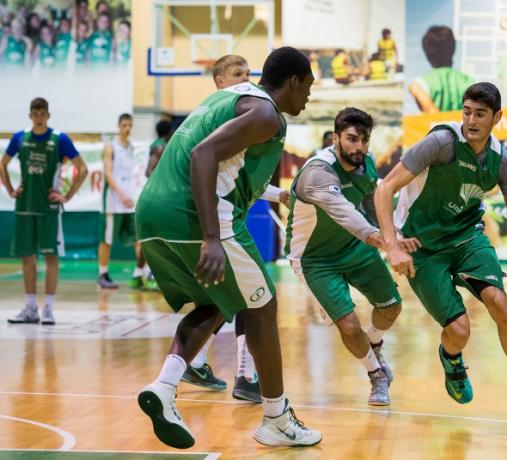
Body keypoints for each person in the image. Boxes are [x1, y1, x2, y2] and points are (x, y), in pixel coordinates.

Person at [135, 46, 321, 449]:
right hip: (194, 213)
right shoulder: (265, 113)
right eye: (307, 86)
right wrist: (212, 238)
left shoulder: (225, 97)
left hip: (152, 212)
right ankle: (276, 417)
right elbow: (204, 154)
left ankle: (165, 387)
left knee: (218, 299)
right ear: (292, 82)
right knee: (263, 304)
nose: (308, 96)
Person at [374, 82, 507, 437]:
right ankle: (451, 358)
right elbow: (384, 188)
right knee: (459, 331)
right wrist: (393, 245)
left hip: (466, 238)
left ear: (497, 118)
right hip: (423, 246)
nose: (472, 120)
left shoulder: (502, 161)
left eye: (480, 114)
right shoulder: (442, 143)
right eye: (467, 111)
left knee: (501, 305)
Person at [286, 107, 419, 405]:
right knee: (348, 325)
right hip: (315, 260)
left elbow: (370, 203)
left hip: (354, 248)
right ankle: (377, 375)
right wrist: (386, 243)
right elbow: (347, 214)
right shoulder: (317, 173)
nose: (359, 147)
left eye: (364, 140)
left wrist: (392, 234)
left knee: (391, 307)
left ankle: (373, 345)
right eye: (351, 139)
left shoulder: (366, 163)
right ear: (335, 138)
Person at [178, 54, 291, 402]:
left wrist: (277, 193)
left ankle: (209, 366)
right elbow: (211, 169)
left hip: (222, 216)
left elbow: (240, 180)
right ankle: (243, 375)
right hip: (209, 221)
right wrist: (211, 235)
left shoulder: (239, 113)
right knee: (246, 296)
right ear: (219, 81)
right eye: (238, 74)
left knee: (232, 297)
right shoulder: (224, 115)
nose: (247, 79)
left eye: (249, 73)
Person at [1, 97, 88, 325]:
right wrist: (11, 189)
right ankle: (31, 308)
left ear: (48, 115)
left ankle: (48, 308)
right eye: (35, 113)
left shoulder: (59, 139)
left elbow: (83, 168)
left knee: (51, 258)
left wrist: (66, 196)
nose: (39, 117)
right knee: (27, 257)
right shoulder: (20, 138)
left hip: (49, 209)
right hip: (25, 207)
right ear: (30, 115)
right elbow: (2, 164)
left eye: (43, 114)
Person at [97, 113, 146, 290]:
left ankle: (140, 274)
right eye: (124, 125)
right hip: (113, 202)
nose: (127, 129)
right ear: (118, 126)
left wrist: (131, 195)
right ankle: (102, 274)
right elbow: (108, 174)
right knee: (107, 240)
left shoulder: (131, 147)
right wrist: (122, 195)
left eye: (130, 125)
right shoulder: (110, 146)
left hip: (129, 203)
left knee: (138, 239)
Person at [408, 25, 475, 113]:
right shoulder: (470, 82)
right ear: (453, 49)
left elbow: (430, 111)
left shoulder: (418, 85)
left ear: (428, 55)